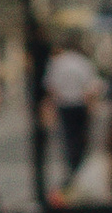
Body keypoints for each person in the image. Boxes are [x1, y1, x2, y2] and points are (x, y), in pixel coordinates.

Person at [44, 34, 103, 182]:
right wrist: (91, 105)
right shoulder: (83, 62)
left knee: (68, 138)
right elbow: (92, 87)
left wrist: (53, 104)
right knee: (81, 138)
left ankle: (72, 167)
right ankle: (80, 168)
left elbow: (51, 86)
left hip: (64, 104)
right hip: (80, 104)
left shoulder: (58, 62)